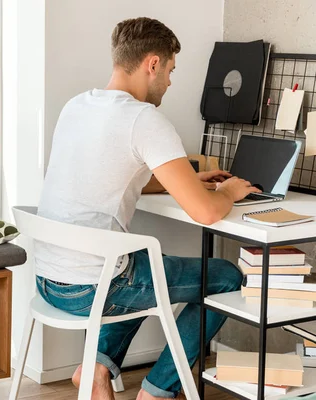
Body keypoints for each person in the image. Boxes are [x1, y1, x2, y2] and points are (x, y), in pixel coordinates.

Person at [34, 17, 261, 400]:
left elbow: (115, 171)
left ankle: (97, 367)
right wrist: (231, 192)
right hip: (94, 287)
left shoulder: (78, 106)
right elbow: (206, 214)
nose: (170, 82)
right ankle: (157, 390)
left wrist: (189, 181)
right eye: (170, 70)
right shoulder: (144, 119)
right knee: (226, 277)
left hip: (49, 279)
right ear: (152, 64)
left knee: (140, 260)